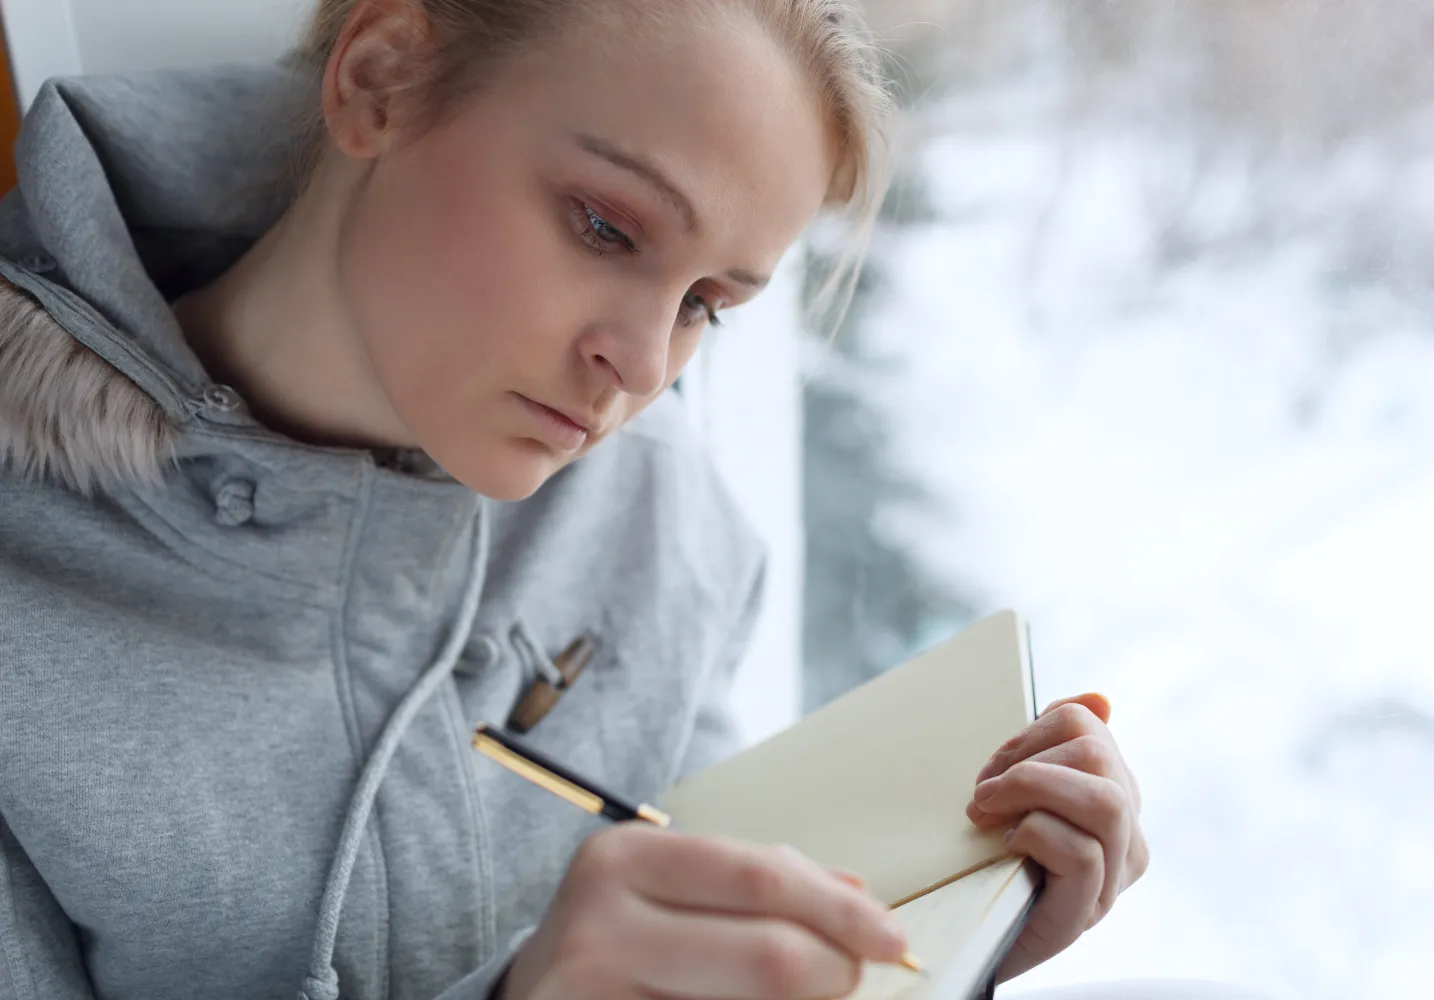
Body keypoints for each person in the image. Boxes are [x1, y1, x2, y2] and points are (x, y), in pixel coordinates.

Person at [0, 2, 1152, 998]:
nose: (646, 368)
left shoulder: (665, 519)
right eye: (607, 226)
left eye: (708, 301)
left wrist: (940, 943)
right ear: (379, 80)